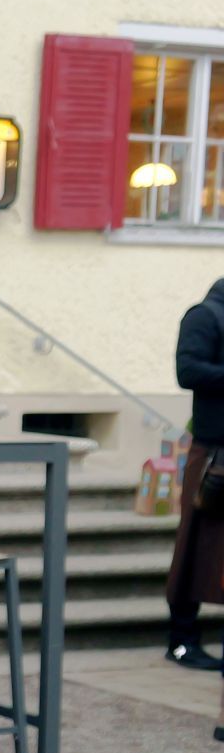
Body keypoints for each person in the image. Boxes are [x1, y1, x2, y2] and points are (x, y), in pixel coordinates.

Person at [167, 279, 224, 670]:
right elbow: (187, 371)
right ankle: (182, 641)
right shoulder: (205, 315)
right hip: (213, 453)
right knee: (193, 547)